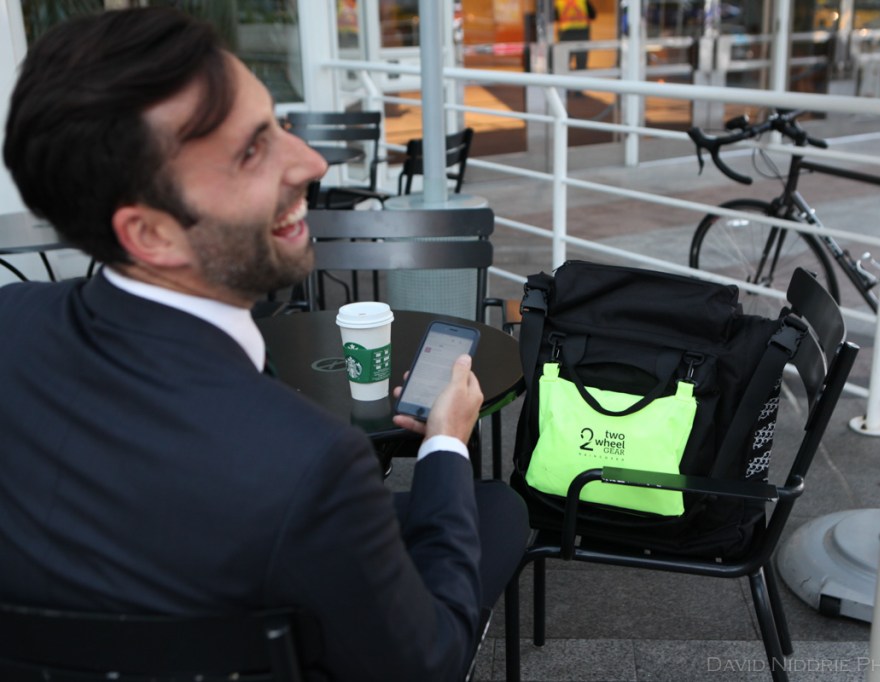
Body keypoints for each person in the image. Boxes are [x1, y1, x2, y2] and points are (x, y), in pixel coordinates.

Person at [0, 8, 529, 681]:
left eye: (278, 123)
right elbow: (426, 663)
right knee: (495, 507)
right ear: (152, 235)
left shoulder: (9, 323)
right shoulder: (310, 466)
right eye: (251, 150)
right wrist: (447, 441)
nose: (311, 161)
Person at [554, 0, 597, 71]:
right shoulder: (582, 1)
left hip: (565, 34)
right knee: (581, 64)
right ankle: (580, 81)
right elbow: (593, 15)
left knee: (564, 64)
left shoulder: (560, 2)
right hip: (582, 33)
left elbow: (555, 16)